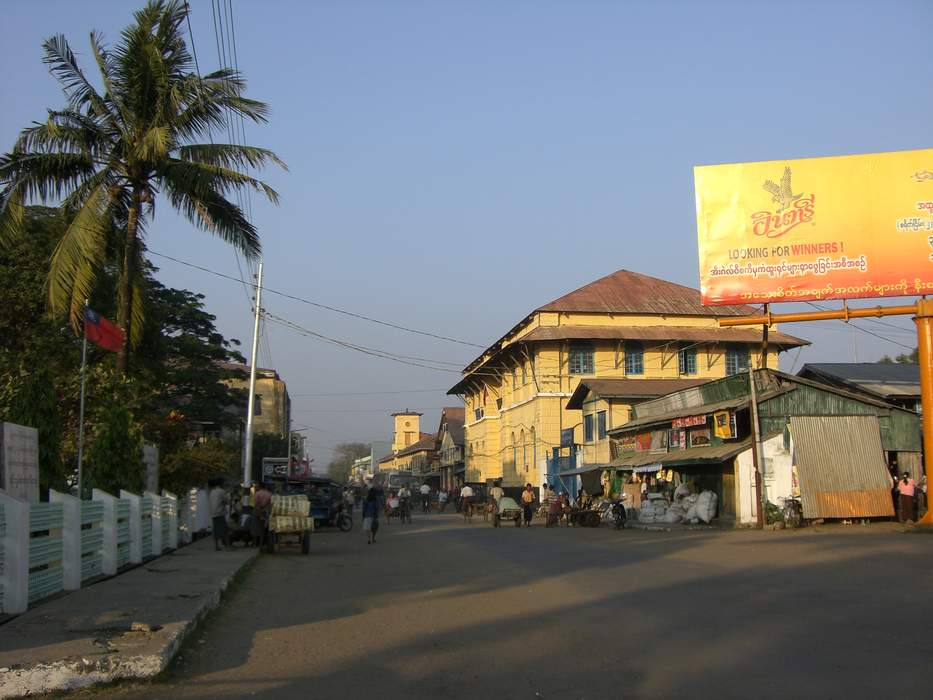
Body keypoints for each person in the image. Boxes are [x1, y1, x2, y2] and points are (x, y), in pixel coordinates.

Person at [208, 478, 229, 551]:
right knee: (224, 529)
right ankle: (227, 546)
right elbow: (227, 501)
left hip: (213, 513)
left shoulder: (212, 491)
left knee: (216, 530)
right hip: (220, 512)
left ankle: (216, 546)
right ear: (221, 484)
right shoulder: (222, 491)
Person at [251, 481, 272, 548]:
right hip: (265, 513)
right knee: (262, 529)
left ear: (259, 486)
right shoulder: (269, 494)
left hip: (257, 512)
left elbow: (255, 503)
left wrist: (258, 510)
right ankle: (261, 544)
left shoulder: (257, 493)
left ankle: (254, 543)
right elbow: (270, 504)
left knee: (255, 528)